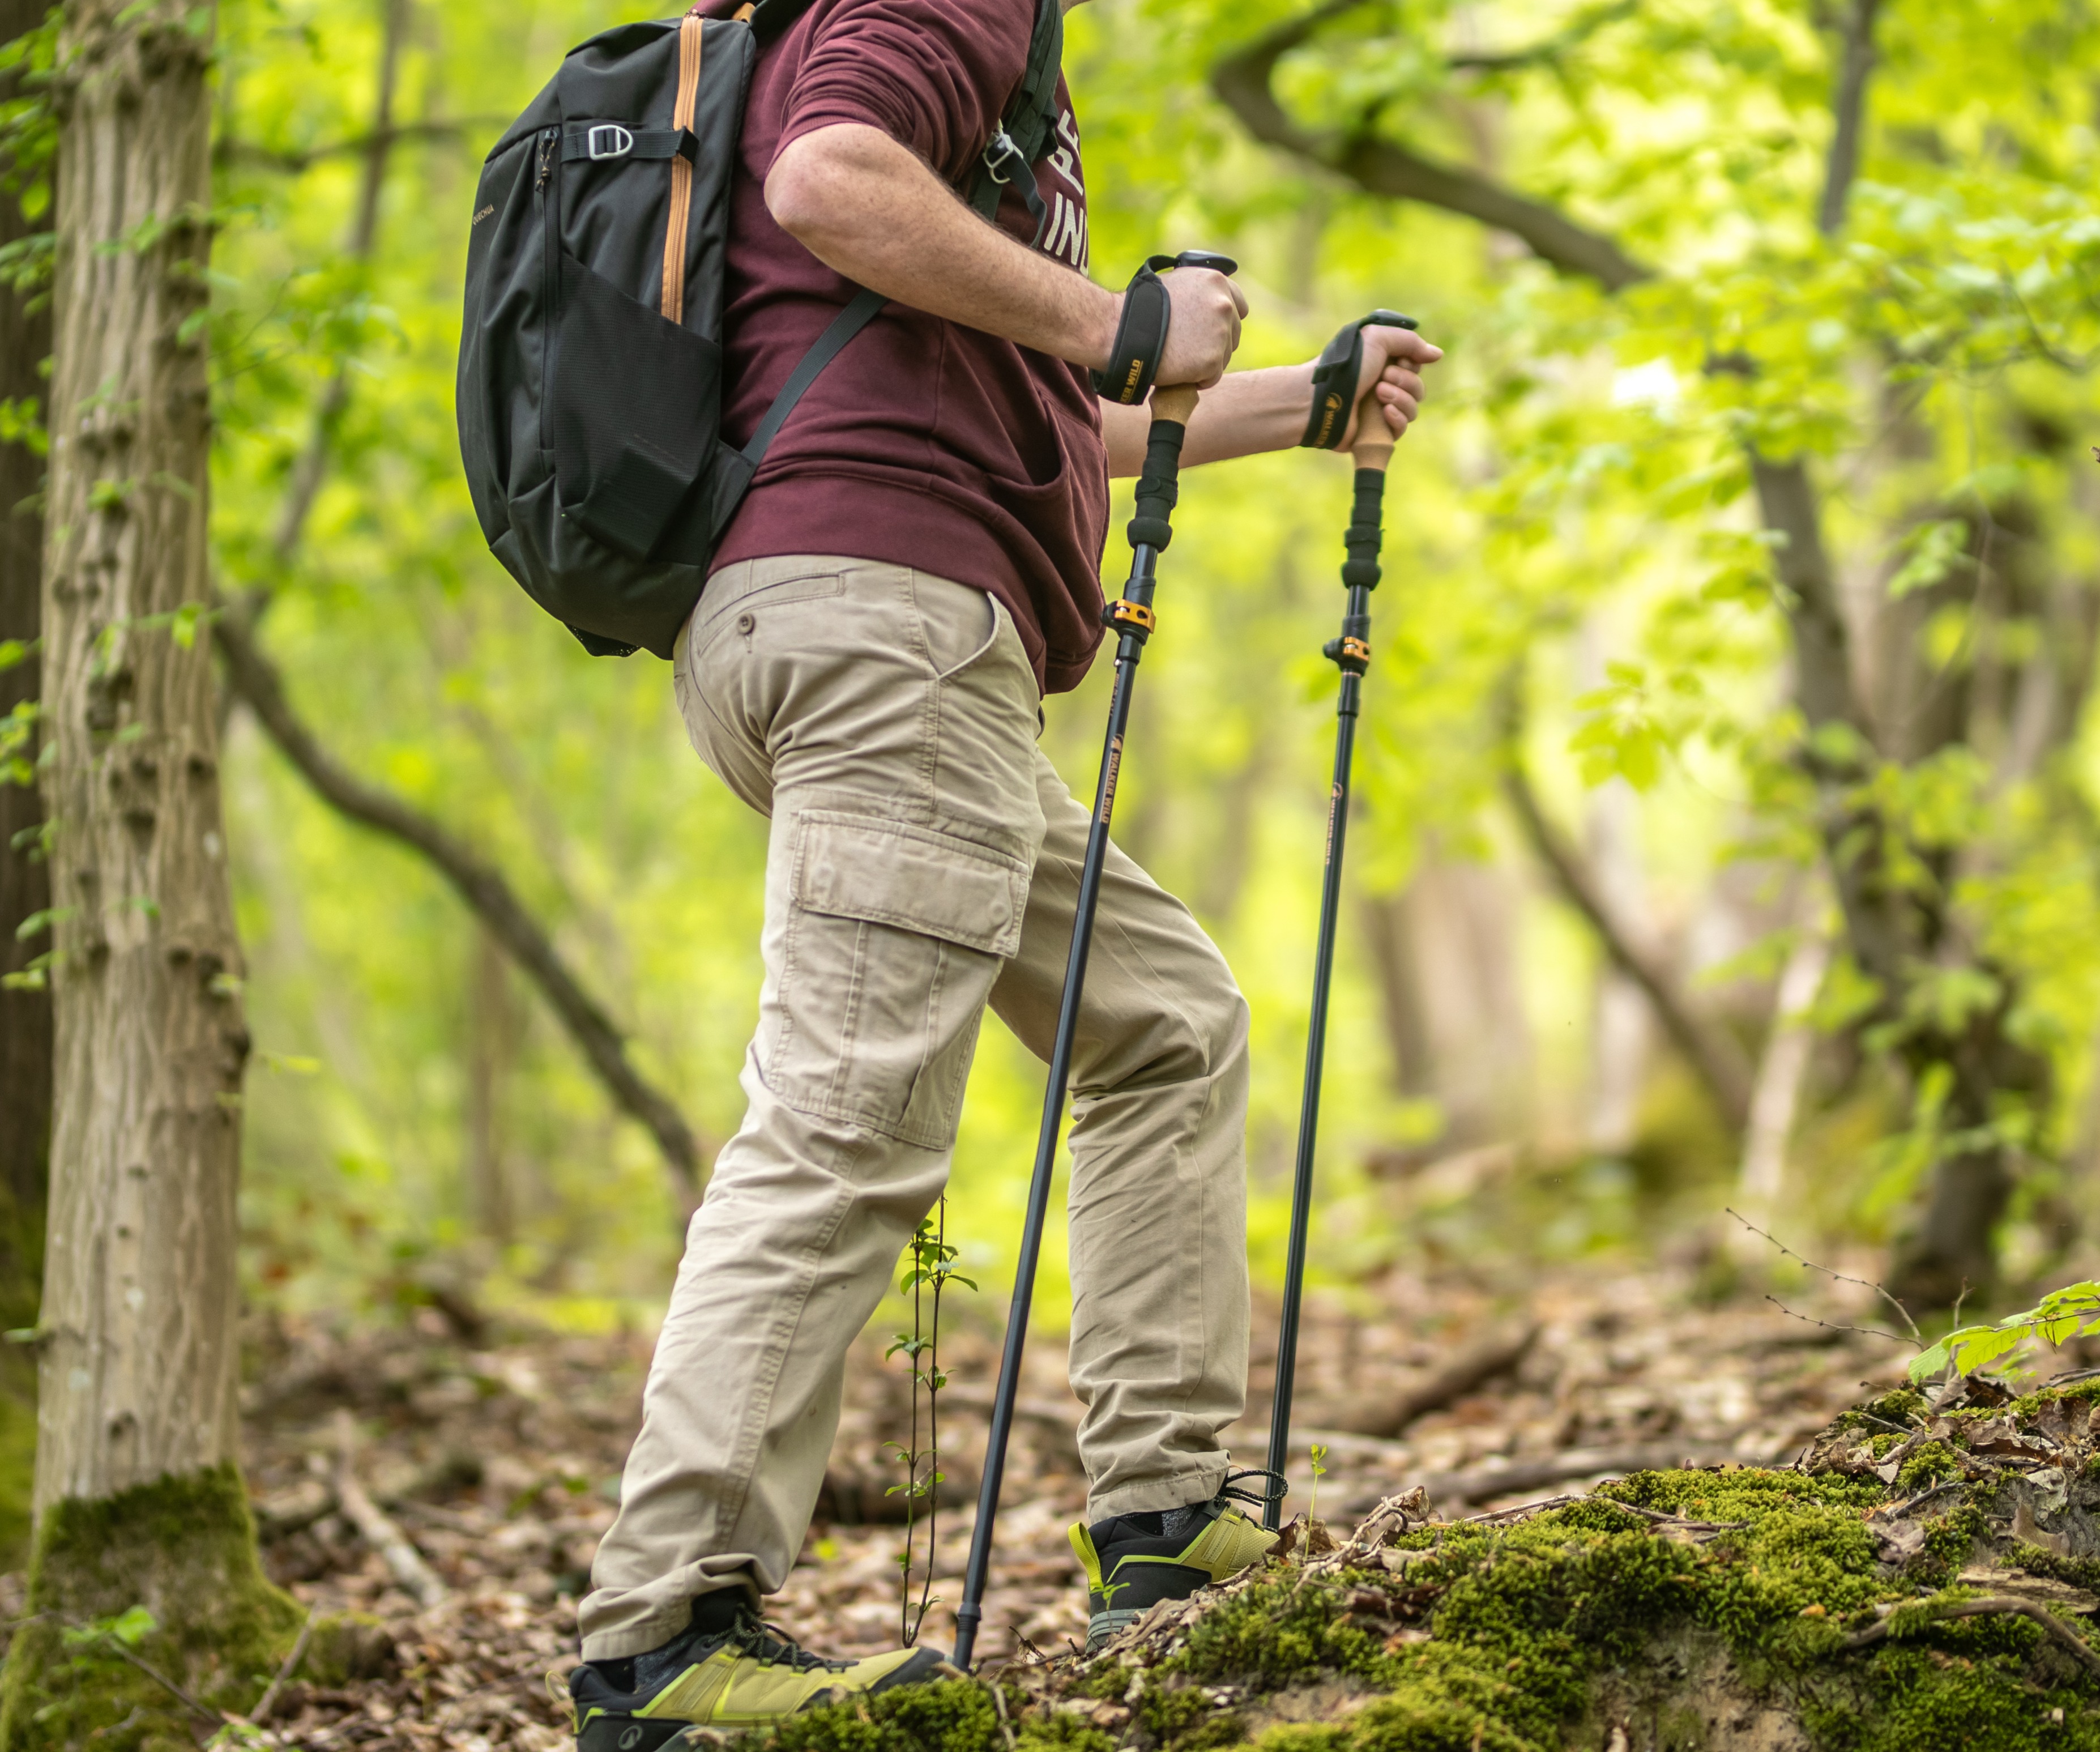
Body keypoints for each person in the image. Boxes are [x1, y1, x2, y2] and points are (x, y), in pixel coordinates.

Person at [565, 0, 1440, 1739]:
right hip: (884, 621)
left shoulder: (990, 110)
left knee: (1161, 1018)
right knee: (849, 1116)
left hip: (865, 624)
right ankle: (663, 1638)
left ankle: (1167, 1522)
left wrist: (1295, 400)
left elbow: (1054, 421)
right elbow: (830, 178)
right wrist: (1125, 316)